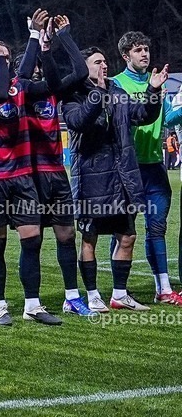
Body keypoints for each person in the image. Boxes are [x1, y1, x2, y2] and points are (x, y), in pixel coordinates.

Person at [0, 30, 60, 326]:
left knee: (32, 240)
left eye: (4, 55)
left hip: (22, 176)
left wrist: (33, 35)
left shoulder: (20, 88)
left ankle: (32, 304)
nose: (3, 58)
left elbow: (44, 81)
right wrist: (6, 61)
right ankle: (0, 305)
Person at [64, 47, 165, 312]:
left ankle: (119, 294)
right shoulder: (73, 94)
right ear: (84, 67)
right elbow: (79, 122)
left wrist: (153, 92)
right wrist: (97, 92)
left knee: (128, 235)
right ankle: (93, 294)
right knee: (89, 238)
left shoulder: (117, 91)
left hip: (121, 178)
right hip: (91, 177)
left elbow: (142, 115)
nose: (104, 65)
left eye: (105, 61)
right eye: (98, 62)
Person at [14, 11, 90, 317]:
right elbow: (21, 78)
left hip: (55, 172)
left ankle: (71, 297)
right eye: (31, 67)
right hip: (28, 176)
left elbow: (81, 71)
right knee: (32, 240)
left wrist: (63, 37)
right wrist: (37, 42)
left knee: (66, 236)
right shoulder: (18, 89)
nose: (35, 72)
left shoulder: (51, 89)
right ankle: (32, 303)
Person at [112, 31, 182, 304]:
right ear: (125, 55)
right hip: (127, 169)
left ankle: (163, 289)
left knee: (157, 229)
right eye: (138, 50)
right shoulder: (115, 84)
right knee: (121, 231)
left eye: (146, 49)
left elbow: (169, 118)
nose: (144, 54)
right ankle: (120, 290)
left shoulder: (157, 83)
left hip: (154, 167)